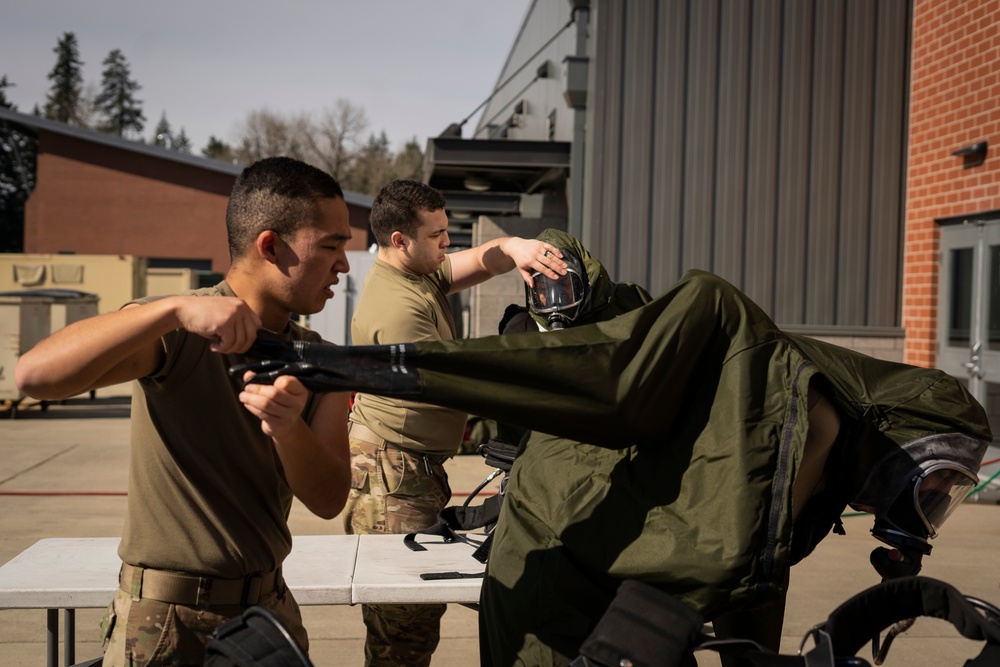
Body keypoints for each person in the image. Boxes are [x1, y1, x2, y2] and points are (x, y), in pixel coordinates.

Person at [233, 240, 992, 667]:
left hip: (600, 594)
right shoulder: (739, 346)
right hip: (554, 590)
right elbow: (610, 375)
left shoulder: (796, 432)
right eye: (935, 484)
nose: (923, 507)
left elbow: (748, 589)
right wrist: (343, 365)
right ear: (895, 423)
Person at [14, 156, 354, 666]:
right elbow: (34, 376)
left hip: (269, 613)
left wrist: (287, 429)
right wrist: (168, 310)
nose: (343, 265)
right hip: (166, 623)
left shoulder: (317, 358)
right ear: (270, 246)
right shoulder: (177, 331)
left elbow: (329, 499)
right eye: (331, 246)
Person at [343, 179, 566, 666]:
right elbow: (461, 380)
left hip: (411, 464)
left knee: (413, 628)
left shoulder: (414, 272)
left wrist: (513, 246)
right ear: (400, 240)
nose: (448, 243)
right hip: (393, 477)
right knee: (402, 633)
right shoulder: (398, 308)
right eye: (438, 234)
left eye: (447, 230)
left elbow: (478, 261)